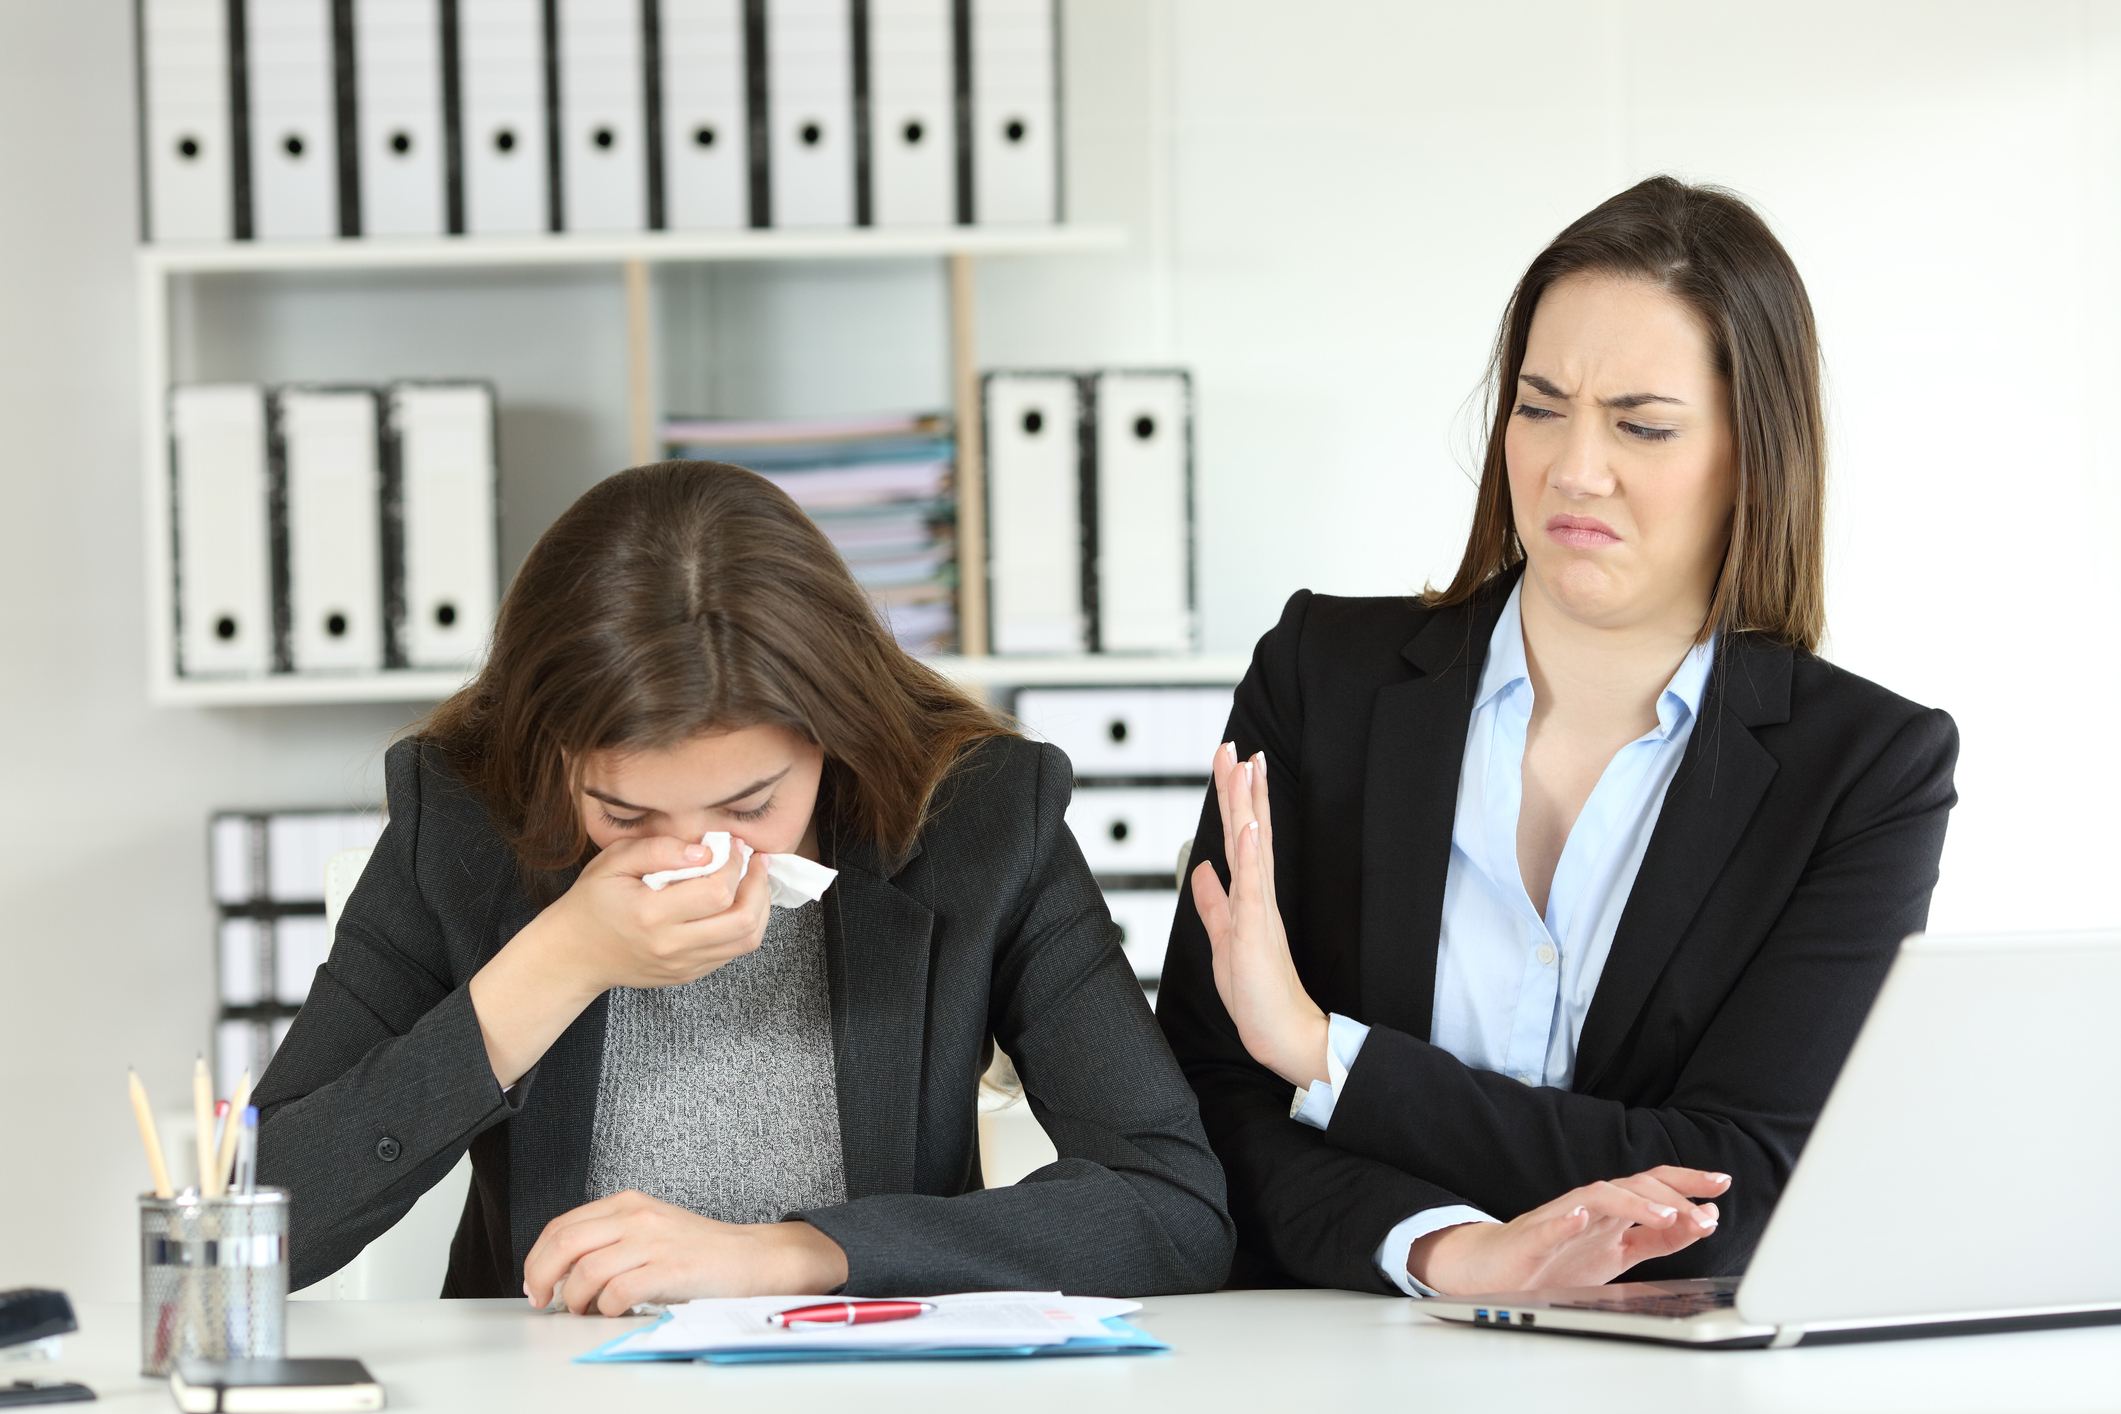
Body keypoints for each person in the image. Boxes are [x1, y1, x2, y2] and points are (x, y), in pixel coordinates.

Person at [1156, 176, 1958, 1297]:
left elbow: (1743, 1185)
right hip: (1335, 1349)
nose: (1574, 468)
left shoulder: (1866, 771)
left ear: (1753, 454)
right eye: (1540, 406)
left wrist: (1325, 1053)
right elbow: (1198, 1109)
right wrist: (1450, 1248)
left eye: (1642, 423)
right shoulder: (1317, 680)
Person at [255, 462, 1233, 1313]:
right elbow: (259, 1218)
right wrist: (558, 962)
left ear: (833, 737)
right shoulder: (465, 815)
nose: (695, 856)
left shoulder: (978, 820)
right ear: (554, 762)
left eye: (750, 804)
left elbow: (1170, 1205)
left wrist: (794, 1254)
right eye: (626, 814)